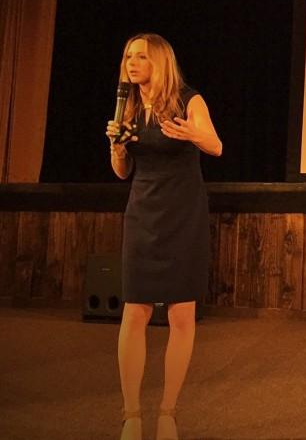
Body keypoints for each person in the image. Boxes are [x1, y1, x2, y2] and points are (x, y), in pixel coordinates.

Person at [106, 33, 222, 440]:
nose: (131, 63)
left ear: (159, 61)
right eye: (127, 56)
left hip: (183, 212)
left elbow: (216, 145)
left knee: (181, 314)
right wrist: (118, 147)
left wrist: (192, 134)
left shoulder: (188, 100)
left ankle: (168, 412)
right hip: (143, 211)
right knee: (134, 311)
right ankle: (131, 415)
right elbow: (122, 172)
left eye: (140, 56)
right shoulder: (129, 105)